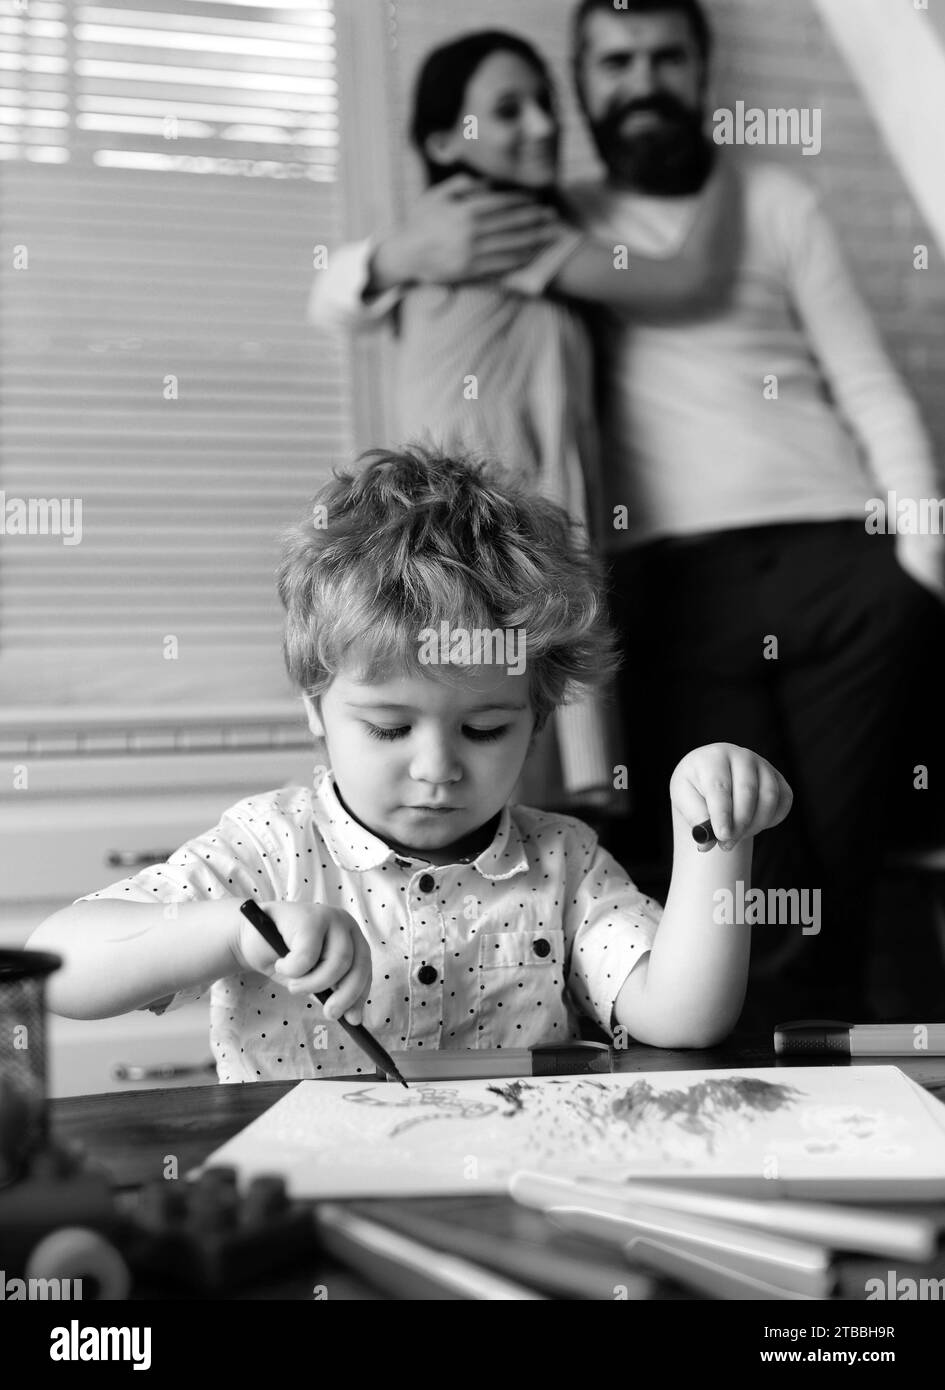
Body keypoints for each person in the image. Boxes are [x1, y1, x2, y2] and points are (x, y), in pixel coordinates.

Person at [317, 0, 945, 1025]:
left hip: (840, 555)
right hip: (671, 583)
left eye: (665, 56)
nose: (643, 77)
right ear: (588, 83)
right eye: (616, 61)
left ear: (701, 70)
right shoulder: (545, 212)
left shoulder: (773, 199)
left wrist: (922, 557)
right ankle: (746, 1077)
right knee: (736, 846)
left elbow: (870, 387)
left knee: (848, 849)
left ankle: (850, 1097)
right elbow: (342, 297)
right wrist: (388, 256)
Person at [29, 447, 792, 1080]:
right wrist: (233, 933)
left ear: (537, 721)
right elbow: (57, 965)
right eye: (390, 729)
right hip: (313, 1199)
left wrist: (714, 838)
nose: (437, 768)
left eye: (486, 728)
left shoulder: (562, 861)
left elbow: (684, 1020)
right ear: (315, 706)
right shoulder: (269, 848)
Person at [310, 27, 736, 808]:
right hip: (489, 534)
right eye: (506, 111)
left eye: (543, 103)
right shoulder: (488, 221)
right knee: (496, 756)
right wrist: (727, 168)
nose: (541, 126)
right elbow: (687, 280)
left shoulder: (478, 226)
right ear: (445, 139)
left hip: (486, 526)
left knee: (492, 756)